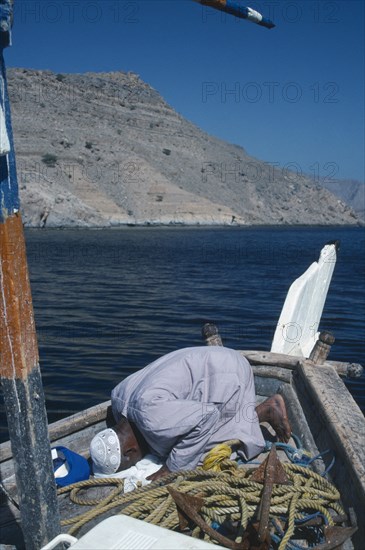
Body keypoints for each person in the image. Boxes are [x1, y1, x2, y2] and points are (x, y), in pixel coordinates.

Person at [90, 346, 291, 481]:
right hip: (211, 358)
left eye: (130, 464)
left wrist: (171, 469)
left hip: (228, 371)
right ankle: (259, 413)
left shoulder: (152, 417)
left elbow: (208, 415)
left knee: (202, 453)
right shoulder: (117, 399)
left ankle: (266, 410)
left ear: (130, 452)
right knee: (186, 439)